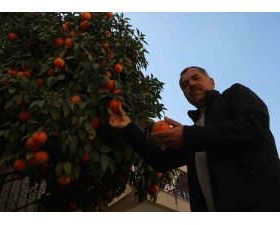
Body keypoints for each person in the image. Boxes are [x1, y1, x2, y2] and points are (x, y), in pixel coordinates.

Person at [109, 66, 280, 212]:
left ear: (211, 81)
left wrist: (188, 135)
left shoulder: (234, 95)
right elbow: (160, 161)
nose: (190, 84)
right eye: (185, 85)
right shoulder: (196, 133)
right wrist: (128, 127)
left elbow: (255, 127)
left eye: (196, 78)